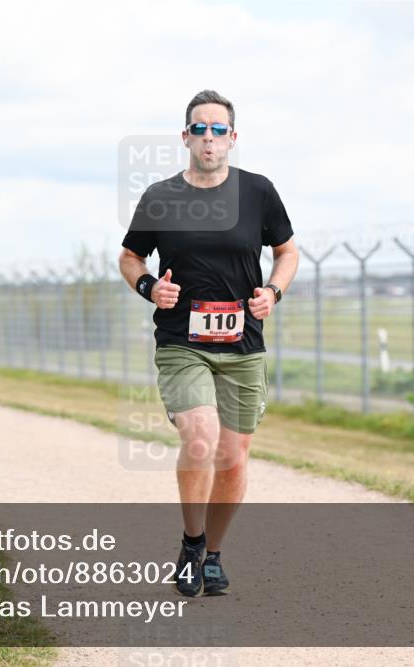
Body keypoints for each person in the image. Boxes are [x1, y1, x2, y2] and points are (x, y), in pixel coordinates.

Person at [118, 90, 299, 597]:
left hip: (243, 345)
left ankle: (214, 555)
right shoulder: (160, 196)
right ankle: (192, 543)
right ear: (185, 137)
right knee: (200, 437)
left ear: (233, 138)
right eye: (200, 128)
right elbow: (130, 257)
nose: (209, 138)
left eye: (219, 130)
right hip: (183, 341)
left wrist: (273, 291)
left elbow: (287, 252)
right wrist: (149, 287)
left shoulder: (258, 192)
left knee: (234, 458)